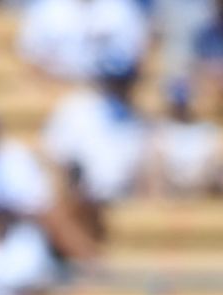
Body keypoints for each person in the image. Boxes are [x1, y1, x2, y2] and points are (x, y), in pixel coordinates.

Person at [42, 58, 148, 218]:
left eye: (123, 82)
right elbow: (56, 159)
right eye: (113, 82)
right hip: (84, 202)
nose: (118, 89)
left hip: (126, 201)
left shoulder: (139, 121)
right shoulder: (76, 109)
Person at [16, 0, 147, 83]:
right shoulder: (47, 8)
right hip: (56, 87)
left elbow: (137, 55)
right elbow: (30, 57)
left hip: (110, 90)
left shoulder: (121, 8)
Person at [145, 77, 223, 197]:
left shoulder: (207, 131)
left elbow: (219, 165)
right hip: (170, 196)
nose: (181, 108)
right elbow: (154, 172)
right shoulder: (159, 130)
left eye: (184, 103)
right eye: (178, 103)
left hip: (201, 195)